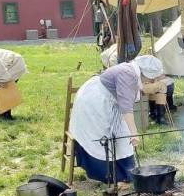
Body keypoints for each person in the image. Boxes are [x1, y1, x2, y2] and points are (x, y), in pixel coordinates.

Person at [69, 55, 164, 183]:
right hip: (94, 101)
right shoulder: (129, 75)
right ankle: (108, 175)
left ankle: (126, 173)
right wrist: (134, 133)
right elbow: (126, 108)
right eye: (154, 79)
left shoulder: (132, 72)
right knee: (102, 138)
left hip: (107, 101)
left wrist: (131, 133)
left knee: (122, 135)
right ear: (148, 76)